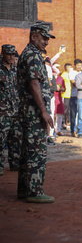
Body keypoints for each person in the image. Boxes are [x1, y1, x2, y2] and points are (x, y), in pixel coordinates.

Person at [16, 24, 55, 203]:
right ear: (33, 37)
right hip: (33, 111)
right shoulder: (32, 55)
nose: (46, 42)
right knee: (36, 151)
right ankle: (34, 191)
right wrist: (44, 111)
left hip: (28, 110)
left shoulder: (29, 53)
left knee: (27, 149)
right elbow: (34, 84)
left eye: (47, 38)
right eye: (43, 38)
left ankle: (24, 189)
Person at [0, 45, 22, 176]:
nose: (11, 57)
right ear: (2, 53)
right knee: (1, 138)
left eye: (13, 54)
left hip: (15, 110)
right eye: (8, 54)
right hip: (2, 111)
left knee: (16, 138)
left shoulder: (16, 69)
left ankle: (14, 163)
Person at [69, 59, 82, 137]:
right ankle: (72, 131)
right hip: (74, 96)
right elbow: (74, 84)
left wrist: (81, 84)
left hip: (81, 96)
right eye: (78, 65)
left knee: (80, 115)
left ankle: (79, 131)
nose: (80, 67)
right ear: (75, 65)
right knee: (73, 115)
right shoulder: (72, 73)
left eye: (81, 65)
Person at [54, 64, 66, 136]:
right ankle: (52, 131)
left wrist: (59, 88)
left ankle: (58, 130)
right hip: (52, 96)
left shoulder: (61, 78)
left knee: (59, 114)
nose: (57, 69)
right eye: (56, 68)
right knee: (52, 114)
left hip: (58, 97)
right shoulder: (49, 76)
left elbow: (64, 89)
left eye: (58, 68)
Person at [60, 63, 72, 128]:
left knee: (69, 109)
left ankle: (68, 121)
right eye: (68, 67)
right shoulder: (64, 74)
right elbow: (60, 83)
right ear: (65, 68)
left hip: (71, 94)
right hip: (65, 94)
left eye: (71, 67)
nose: (70, 68)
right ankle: (63, 123)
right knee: (65, 109)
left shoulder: (71, 74)